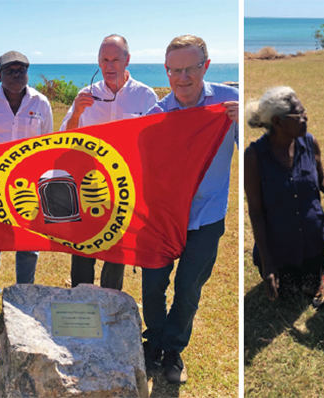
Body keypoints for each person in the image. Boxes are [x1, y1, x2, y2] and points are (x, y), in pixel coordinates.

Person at [140, 35, 238, 384]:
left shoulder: (229, 103)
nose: (182, 78)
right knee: (152, 286)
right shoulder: (156, 115)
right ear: (167, 72)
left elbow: (258, 147)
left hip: (207, 215)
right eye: (174, 70)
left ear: (206, 67)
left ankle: (172, 351)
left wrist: (246, 119)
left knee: (188, 288)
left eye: (190, 69)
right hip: (162, 217)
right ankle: (152, 342)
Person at [245, 86, 324, 307]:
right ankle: (286, 270)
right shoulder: (255, 156)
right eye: (300, 115)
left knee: (310, 287)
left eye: (304, 111)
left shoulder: (310, 143)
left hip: (311, 238)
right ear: (277, 122)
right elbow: (256, 212)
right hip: (279, 244)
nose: (306, 118)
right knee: (286, 293)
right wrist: (267, 264)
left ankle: (320, 269)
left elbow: (321, 180)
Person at [60, 34, 158, 291]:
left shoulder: (145, 96)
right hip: (88, 182)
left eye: (116, 59)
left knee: (117, 249)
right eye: (105, 59)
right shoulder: (85, 94)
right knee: (83, 246)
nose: (110, 65)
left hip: (126, 183)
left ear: (128, 60)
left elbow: (155, 142)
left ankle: (111, 299)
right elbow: (64, 139)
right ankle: (81, 297)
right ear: (98, 61)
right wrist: (77, 113)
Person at [0, 51, 53, 315]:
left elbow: (47, 147)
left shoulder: (41, 103)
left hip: (29, 188)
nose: (16, 75)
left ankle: (24, 294)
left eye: (21, 70)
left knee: (28, 246)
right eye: (10, 71)